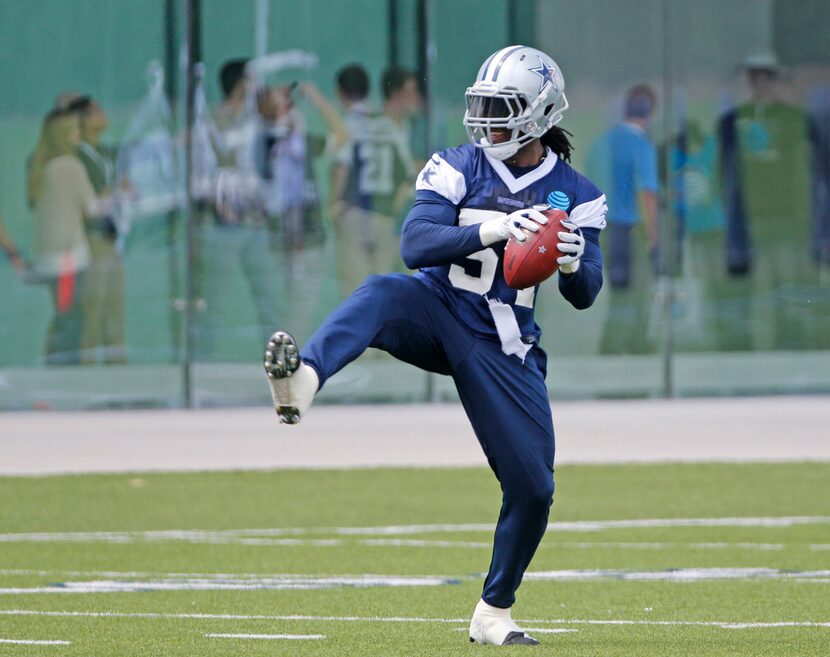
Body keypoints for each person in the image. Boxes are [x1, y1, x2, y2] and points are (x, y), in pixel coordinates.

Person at [264, 46, 607, 646]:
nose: (488, 122)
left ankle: (492, 612)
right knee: (378, 292)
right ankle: (303, 380)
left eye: (503, 110)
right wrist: (494, 228)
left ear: (540, 114)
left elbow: (586, 294)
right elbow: (416, 242)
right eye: (485, 107)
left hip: (501, 339)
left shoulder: (575, 192)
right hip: (438, 307)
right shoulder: (456, 164)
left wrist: (575, 263)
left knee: (533, 486)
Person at [718, 50, 818, 350]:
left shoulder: (796, 119)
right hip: (750, 216)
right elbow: (723, 171)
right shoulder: (733, 121)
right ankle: (747, 344)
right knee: (755, 282)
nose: (760, 84)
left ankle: (789, 340)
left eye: (766, 78)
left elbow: (812, 167)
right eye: (754, 78)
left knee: (788, 278)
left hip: (789, 213)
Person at [195, 58, 281, 359]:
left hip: (255, 223)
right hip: (224, 224)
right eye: (252, 81)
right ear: (241, 84)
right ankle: (202, 366)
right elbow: (199, 180)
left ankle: (276, 366)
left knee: (269, 299)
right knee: (212, 302)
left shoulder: (257, 124)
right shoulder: (209, 125)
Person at [254, 81, 348, 340]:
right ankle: (283, 356)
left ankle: (290, 359)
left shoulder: (302, 143)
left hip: (306, 234)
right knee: (279, 307)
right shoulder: (262, 142)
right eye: (282, 105)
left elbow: (341, 135)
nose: (290, 111)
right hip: (276, 235)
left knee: (301, 307)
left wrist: (317, 98)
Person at [28, 109, 111, 364]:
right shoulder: (70, 166)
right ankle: (61, 372)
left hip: (50, 257)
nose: (79, 135)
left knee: (64, 315)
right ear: (66, 136)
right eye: (75, 130)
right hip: (69, 259)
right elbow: (93, 209)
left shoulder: (42, 167)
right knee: (71, 321)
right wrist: (116, 195)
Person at [331, 64, 419, 296]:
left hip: (356, 213)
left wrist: (334, 206)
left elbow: (342, 166)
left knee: (355, 293)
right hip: (384, 217)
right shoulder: (389, 127)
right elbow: (407, 177)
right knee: (381, 292)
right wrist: (394, 210)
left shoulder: (359, 123)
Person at [586, 84, 659, 354]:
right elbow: (647, 194)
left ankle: (610, 345)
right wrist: (653, 237)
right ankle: (633, 346)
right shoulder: (641, 145)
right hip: (632, 229)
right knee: (638, 294)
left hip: (604, 229)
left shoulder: (600, 143)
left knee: (618, 294)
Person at [69, 96, 127, 364]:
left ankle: (118, 372)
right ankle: (85, 372)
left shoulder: (105, 153)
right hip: (91, 241)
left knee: (114, 312)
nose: (103, 114)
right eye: (96, 111)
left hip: (111, 240)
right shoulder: (77, 156)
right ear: (83, 120)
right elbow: (86, 202)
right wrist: (115, 193)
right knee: (91, 314)